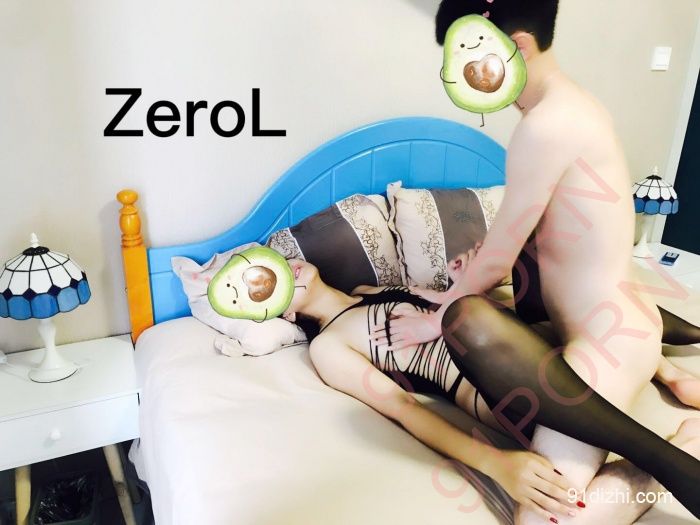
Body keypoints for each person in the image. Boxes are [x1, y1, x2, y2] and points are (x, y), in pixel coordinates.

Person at [375, 1, 700, 522]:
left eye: (470, 60)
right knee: (478, 318)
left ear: (518, 46)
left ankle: (672, 454)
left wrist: (433, 320)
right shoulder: (570, 107)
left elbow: (499, 257)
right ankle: (663, 395)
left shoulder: (547, 124)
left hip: (610, 343)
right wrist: (461, 283)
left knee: (542, 519)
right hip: (617, 325)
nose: (462, 76)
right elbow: (531, 248)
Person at [282, 257, 700, 524]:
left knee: (546, 259)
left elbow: (462, 313)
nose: (285, 266)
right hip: (512, 392)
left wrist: (464, 283)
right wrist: (498, 464)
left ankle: (666, 370)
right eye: (262, 280)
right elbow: (404, 408)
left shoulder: (366, 291)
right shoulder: (328, 346)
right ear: (282, 313)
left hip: (540, 340)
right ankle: (680, 445)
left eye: (283, 259)